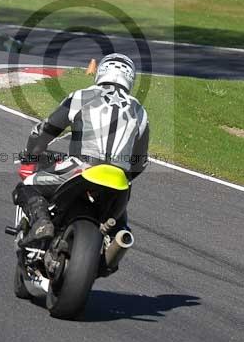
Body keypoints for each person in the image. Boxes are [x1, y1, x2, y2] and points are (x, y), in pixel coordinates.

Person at [12, 53, 150, 244]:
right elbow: (141, 161)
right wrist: (125, 176)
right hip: (119, 182)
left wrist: (31, 155)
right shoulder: (140, 112)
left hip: (81, 166)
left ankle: (42, 223)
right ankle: (117, 241)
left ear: (100, 73)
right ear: (130, 80)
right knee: (120, 224)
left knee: (26, 187)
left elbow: (44, 131)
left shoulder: (81, 96)